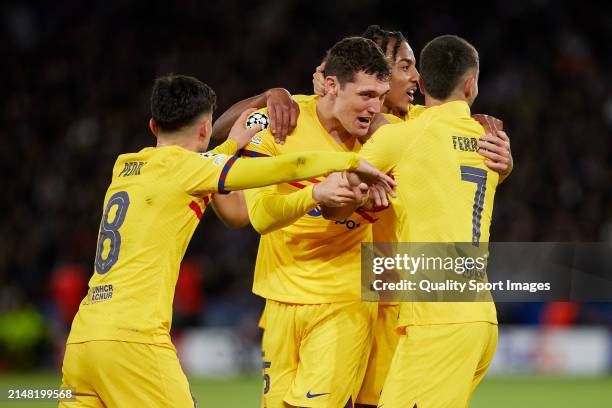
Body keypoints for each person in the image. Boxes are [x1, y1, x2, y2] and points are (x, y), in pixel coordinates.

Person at [58, 74, 394, 408]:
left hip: (82, 340)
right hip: (132, 340)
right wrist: (352, 163)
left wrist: (231, 144)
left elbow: (190, 171)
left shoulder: (126, 166)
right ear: (205, 129)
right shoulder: (190, 170)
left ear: (152, 126)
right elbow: (292, 166)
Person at [237, 36, 392, 408]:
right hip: (280, 300)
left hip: (344, 302)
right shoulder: (280, 120)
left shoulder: (384, 141)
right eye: (367, 95)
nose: (375, 108)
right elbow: (259, 215)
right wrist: (268, 94)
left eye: (382, 96)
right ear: (332, 85)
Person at [356, 35, 499, 408]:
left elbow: (344, 182)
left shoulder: (404, 137)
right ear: (471, 85)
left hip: (439, 321)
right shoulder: (489, 141)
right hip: (477, 315)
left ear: (421, 82)